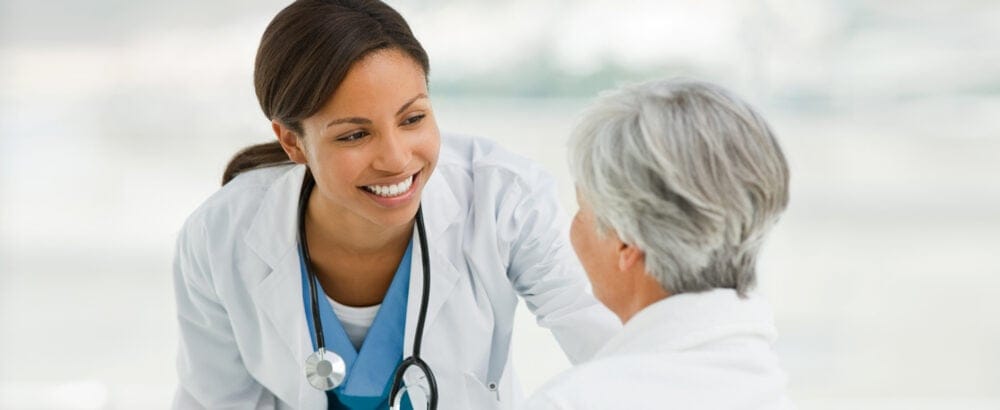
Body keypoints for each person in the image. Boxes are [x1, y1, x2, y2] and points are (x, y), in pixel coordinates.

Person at [171, 0, 619, 408]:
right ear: (292, 142)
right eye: (354, 135)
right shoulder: (219, 238)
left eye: (413, 119)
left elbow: (620, 352)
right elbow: (216, 400)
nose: (397, 158)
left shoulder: (505, 201)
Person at [523, 79, 793, 409]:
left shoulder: (572, 401)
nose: (573, 226)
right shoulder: (766, 388)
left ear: (625, 244)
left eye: (581, 207)